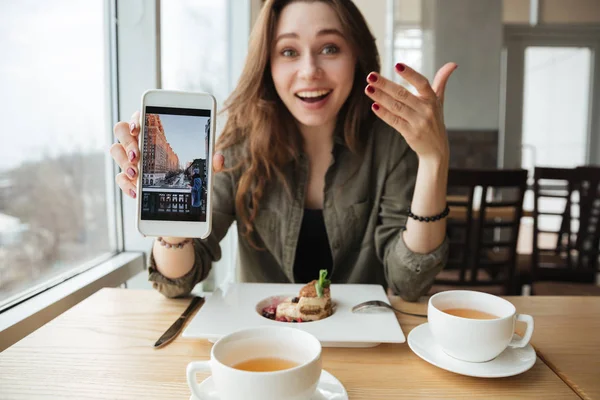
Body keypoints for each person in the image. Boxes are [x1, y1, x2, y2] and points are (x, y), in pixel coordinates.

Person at [110, 0, 457, 301]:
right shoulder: (239, 143)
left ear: (357, 57)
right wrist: (173, 216)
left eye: (330, 48)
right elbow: (176, 284)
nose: (310, 71)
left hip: (361, 348)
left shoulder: (391, 143)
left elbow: (410, 281)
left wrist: (433, 158)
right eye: (289, 52)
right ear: (268, 65)